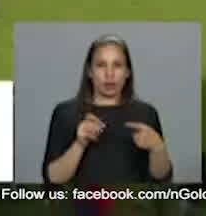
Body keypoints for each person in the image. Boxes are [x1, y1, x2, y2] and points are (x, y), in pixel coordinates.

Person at [42, 35, 172, 187]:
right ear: (89, 71)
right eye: (101, 65)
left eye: (117, 65)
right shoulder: (66, 113)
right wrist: (79, 144)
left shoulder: (146, 113)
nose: (109, 74)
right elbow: (53, 178)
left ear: (127, 72)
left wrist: (158, 148)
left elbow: (161, 176)